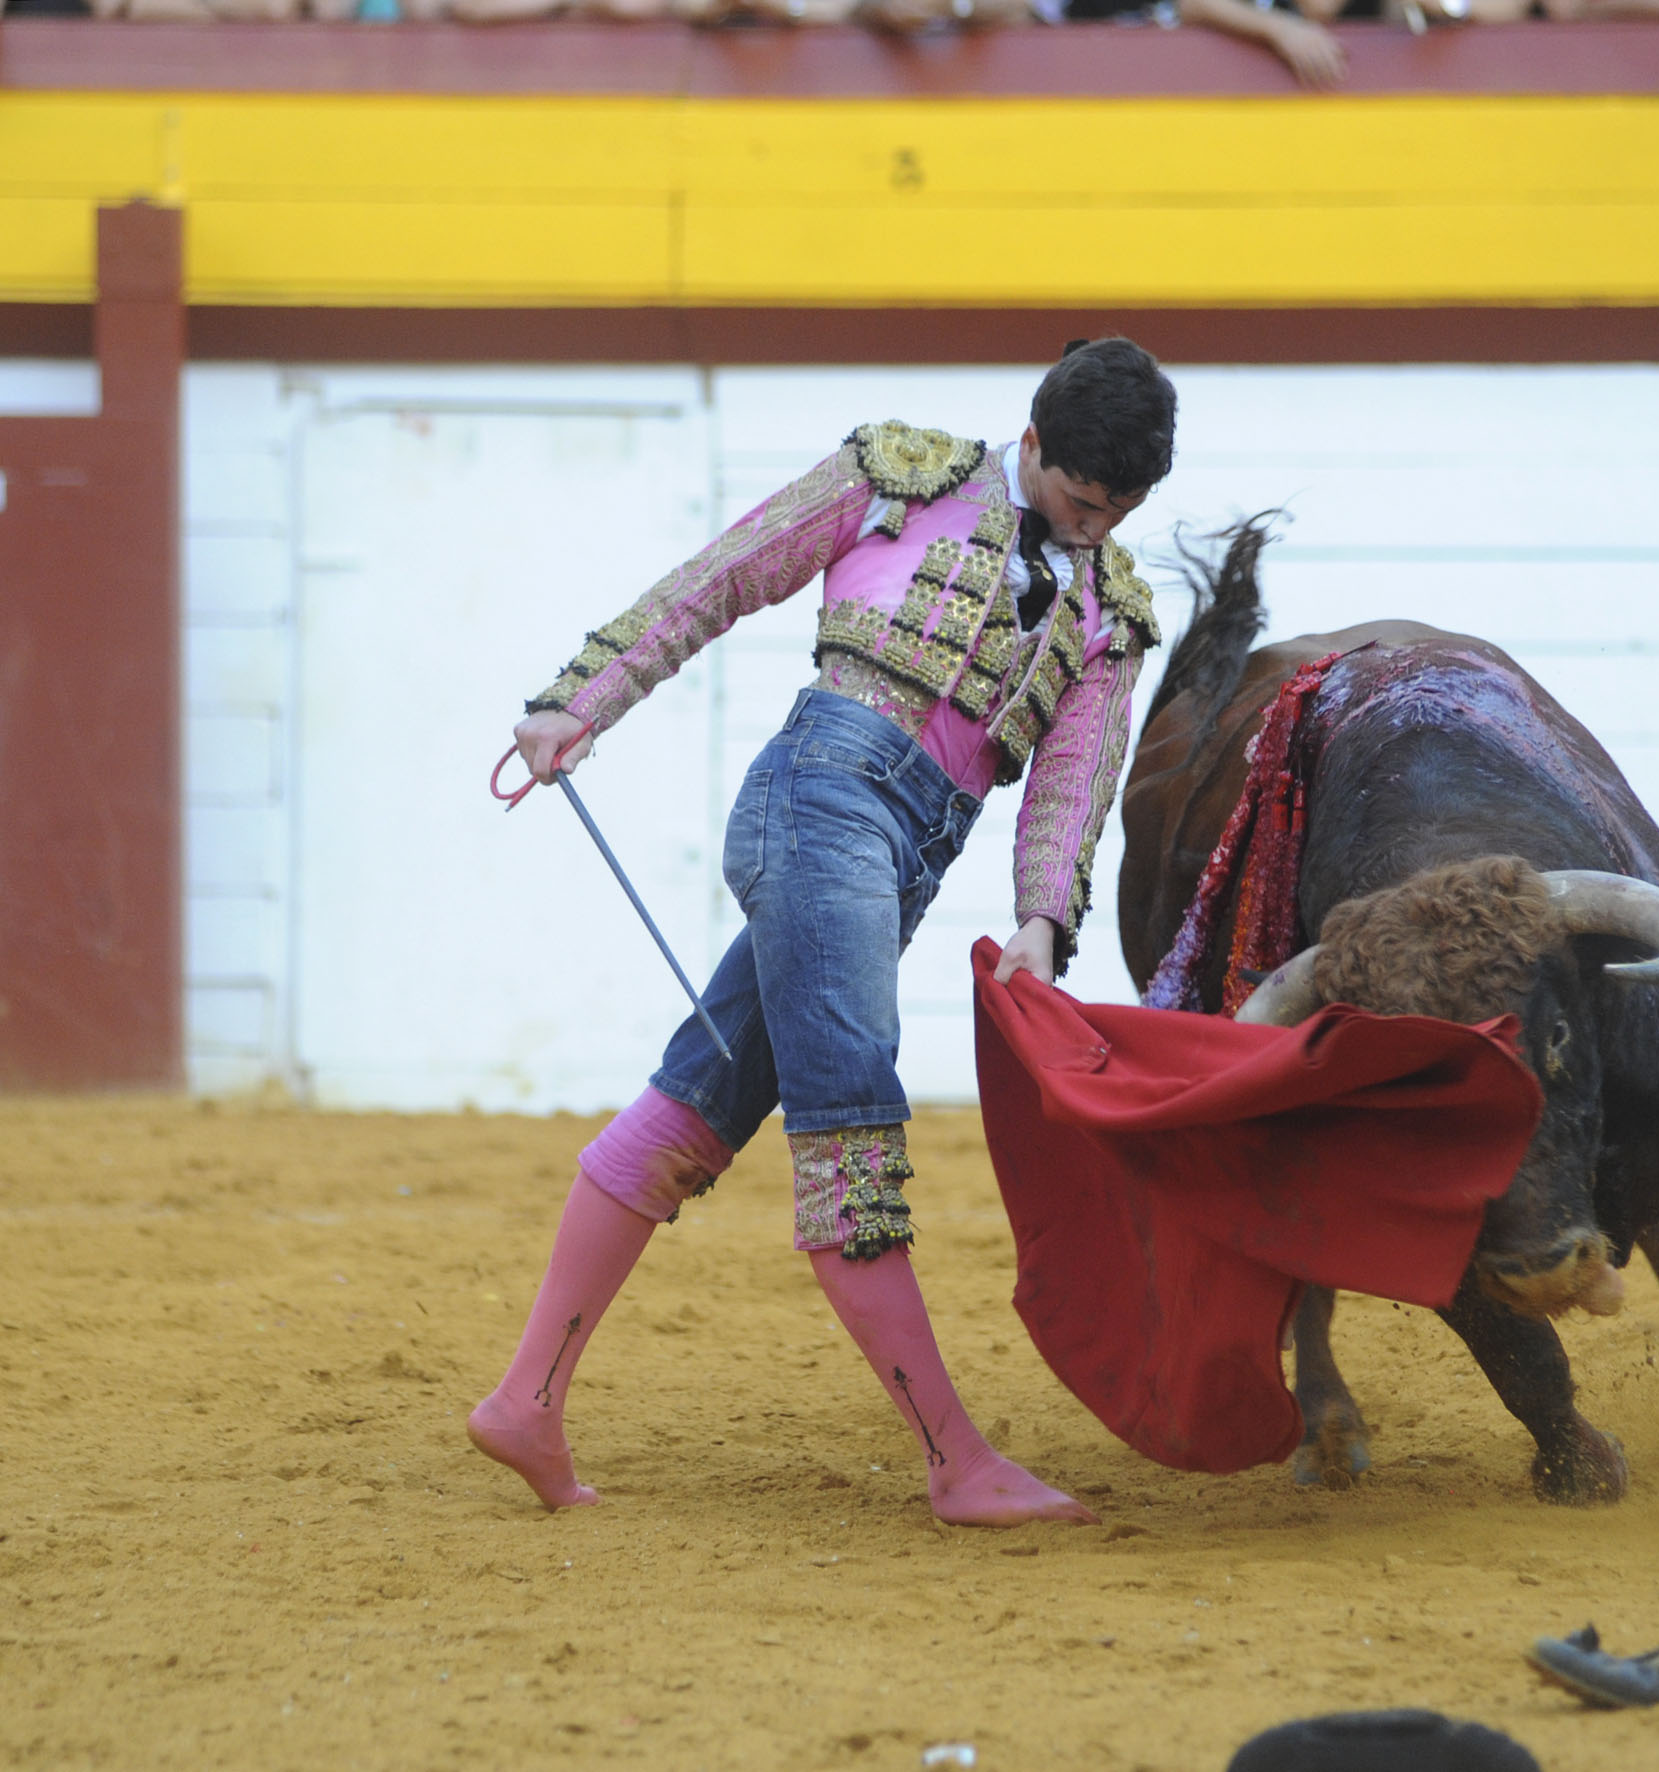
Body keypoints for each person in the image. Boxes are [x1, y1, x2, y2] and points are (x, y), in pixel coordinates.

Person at [467, 338, 1177, 1526]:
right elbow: (722, 577)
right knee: (853, 1122)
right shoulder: (898, 473)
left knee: (697, 1104)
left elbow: (1071, 781)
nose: (1092, 529)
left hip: (904, 858)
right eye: (1076, 501)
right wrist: (579, 698)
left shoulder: (1111, 611)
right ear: (1035, 444)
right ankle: (954, 1456)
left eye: (1118, 513)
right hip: (822, 797)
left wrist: (1042, 924)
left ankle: (524, 1400)